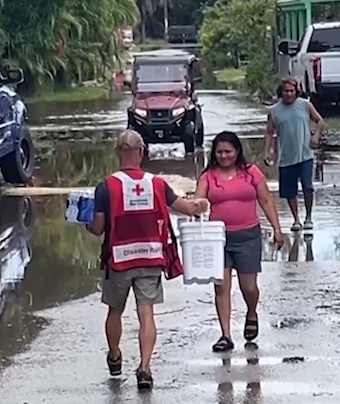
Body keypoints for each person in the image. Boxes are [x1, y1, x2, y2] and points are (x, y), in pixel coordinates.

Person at [87, 129, 209, 389]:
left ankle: (115, 355)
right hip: (151, 257)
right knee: (146, 314)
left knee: (115, 310)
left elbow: (97, 228)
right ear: (141, 152)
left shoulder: (106, 186)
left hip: (118, 258)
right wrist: (202, 203)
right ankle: (144, 368)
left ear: (118, 152)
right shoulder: (156, 184)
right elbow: (186, 208)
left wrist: (88, 224)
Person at [194, 131, 283, 352]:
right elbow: (198, 202)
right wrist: (193, 210)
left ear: (237, 152)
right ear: (214, 153)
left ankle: (251, 312)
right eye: (220, 152)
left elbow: (265, 200)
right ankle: (225, 335)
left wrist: (277, 229)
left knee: (249, 287)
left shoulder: (251, 172)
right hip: (218, 238)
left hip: (248, 235)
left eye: (228, 151)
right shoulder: (208, 176)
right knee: (221, 286)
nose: (224, 156)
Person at [264, 76, 325, 232]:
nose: (289, 94)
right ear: (281, 92)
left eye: (292, 91)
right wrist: (268, 151)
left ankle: (309, 217)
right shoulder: (274, 111)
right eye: (286, 91)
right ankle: (296, 219)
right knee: (289, 191)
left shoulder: (305, 105)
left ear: (296, 91)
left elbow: (320, 121)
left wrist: (315, 136)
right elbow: (270, 133)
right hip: (286, 157)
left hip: (305, 154)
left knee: (307, 186)